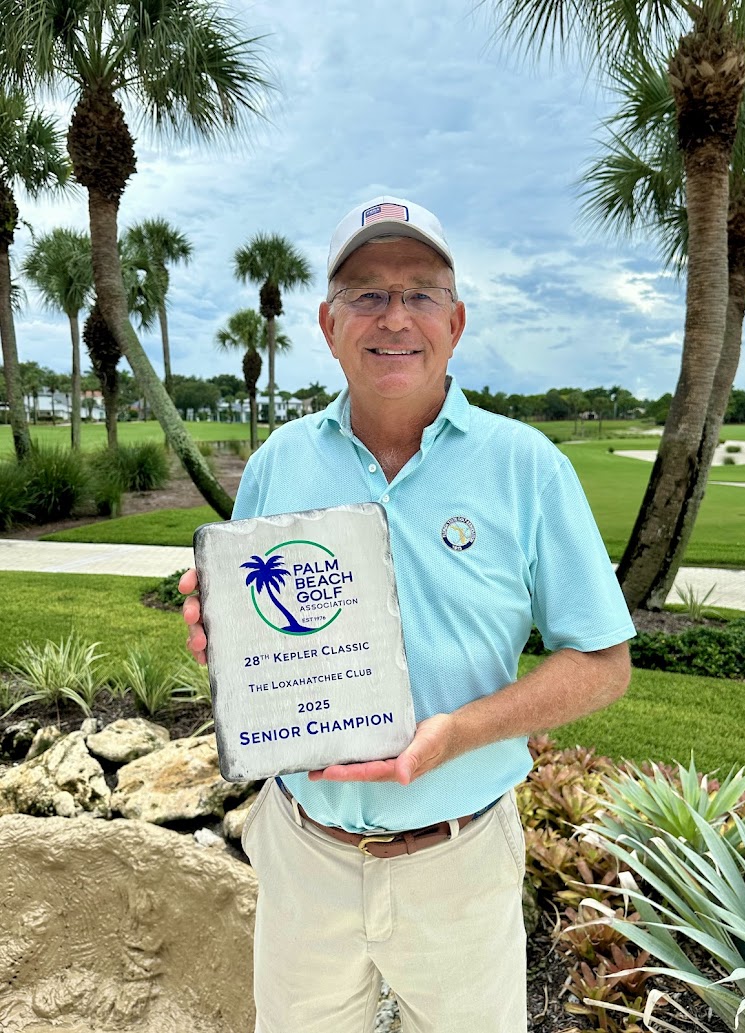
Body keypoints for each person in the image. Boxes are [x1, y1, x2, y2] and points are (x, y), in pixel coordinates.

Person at [179, 195, 636, 1033]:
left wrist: (456, 732)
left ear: (455, 322)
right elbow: (263, 627)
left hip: (455, 859)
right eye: (366, 294)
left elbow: (603, 663)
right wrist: (223, 637)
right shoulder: (280, 460)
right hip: (303, 848)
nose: (394, 317)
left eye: (419, 292)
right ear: (326, 323)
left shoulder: (524, 466)